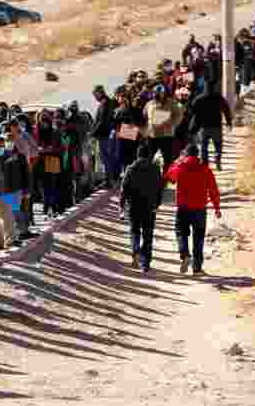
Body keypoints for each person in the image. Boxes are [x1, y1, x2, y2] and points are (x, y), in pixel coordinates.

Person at [165, 144, 222, 276]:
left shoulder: (180, 167)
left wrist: (177, 161)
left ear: (186, 154)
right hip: (200, 209)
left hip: (183, 208)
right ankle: (197, 268)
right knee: (199, 238)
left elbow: (169, 177)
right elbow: (213, 190)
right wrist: (217, 207)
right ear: (198, 155)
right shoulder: (205, 169)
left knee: (181, 233)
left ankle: (185, 255)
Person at [119, 145, 165, 274]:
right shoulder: (155, 169)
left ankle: (136, 251)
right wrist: (157, 204)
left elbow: (124, 189)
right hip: (149, 207)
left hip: (134, 206)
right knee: (148, 235)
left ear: (138, 155)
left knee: (134, 231)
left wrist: (121, 206)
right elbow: (160, 188)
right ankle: (145, 264)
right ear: (149, 155)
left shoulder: (130, 169)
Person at [188, 86, 233, 171]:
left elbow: (192, 112)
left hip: (204, 127)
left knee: (204, 147)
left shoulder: (199, 99)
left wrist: (193, 127)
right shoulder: (219, 98)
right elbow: (226, 110)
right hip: (216, 126)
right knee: (218, 145)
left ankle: (205, 165)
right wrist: (229, 122)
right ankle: (217, 161)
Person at [144, 84, 184, 175]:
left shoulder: (171, 103)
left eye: (161, 93)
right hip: (152, 135)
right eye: (157, 93)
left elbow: (179, 115)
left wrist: (172, 124)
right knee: (149, 158)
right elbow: (145, 115)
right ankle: (150, 176)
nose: (159, 95)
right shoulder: (150, 103)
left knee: (168, 159)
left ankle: (166, 178)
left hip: (166, 135)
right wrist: (149, 125)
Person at [2, 133, 33, 241]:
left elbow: (26, 174)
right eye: (6, 140)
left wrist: (27, 189)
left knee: (16, 211)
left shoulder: (20, 156)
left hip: (16, 189)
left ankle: (22, 231)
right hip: (5, 190)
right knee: (11, 213)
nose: (8, 143)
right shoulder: (1, 156)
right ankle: (18, 232)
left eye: (10, 140)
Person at [91, 86, 117, 187]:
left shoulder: (105, 103)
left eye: (95, 95)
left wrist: (93, 133)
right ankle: (109, 180)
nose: (95, 98)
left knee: (106, 158)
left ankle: (108, 181)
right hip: (106, 134)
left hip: (103, 135)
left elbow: (102, 121)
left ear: (99, 93)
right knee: (107, 158)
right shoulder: (108, 102)